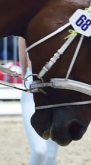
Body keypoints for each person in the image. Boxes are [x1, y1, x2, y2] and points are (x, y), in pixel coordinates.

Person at [18, 37, 59, 165]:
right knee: (39, 150)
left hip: (56, 90)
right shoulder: (27, 24)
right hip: (33, 88)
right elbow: (24, 66)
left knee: (51, 155)